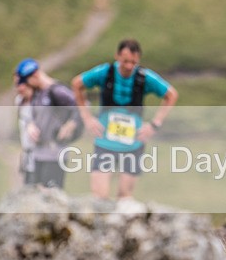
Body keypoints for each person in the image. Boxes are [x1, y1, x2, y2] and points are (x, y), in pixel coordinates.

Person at [71, 39, 178, 199]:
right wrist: (87, 118)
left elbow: (171, 95)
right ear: (117, 56)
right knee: (99, 197)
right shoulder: (104, 72)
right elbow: (77, 84)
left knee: (125, 198)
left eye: (133, 62)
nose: (129, 66)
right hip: (105, 142)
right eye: (125, 61)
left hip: (133, 145)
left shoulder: (144, 77)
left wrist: (154, 125)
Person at [15, 58, 83, 189]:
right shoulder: (38, 93)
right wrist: (31, 125)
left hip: (54, 154)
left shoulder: (57, 91)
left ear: (34, 76)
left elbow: (80, 105)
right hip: (38, 153)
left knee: (50, 195)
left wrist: (71, 124)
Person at [13, 72, 36, 185]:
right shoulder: (19, 101)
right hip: (27, 155)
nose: (20, 87)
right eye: (17, 84)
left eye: (23, 83)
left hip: (41, 157)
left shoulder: (40, 101)